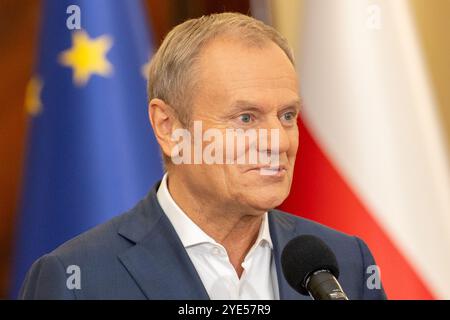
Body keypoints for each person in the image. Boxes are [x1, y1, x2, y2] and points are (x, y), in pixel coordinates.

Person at [20, 12, 386, 300]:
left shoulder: (345, 263)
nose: (278, 141)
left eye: (287, 115)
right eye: (246, 118)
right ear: (168, 127)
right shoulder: (78, 278)